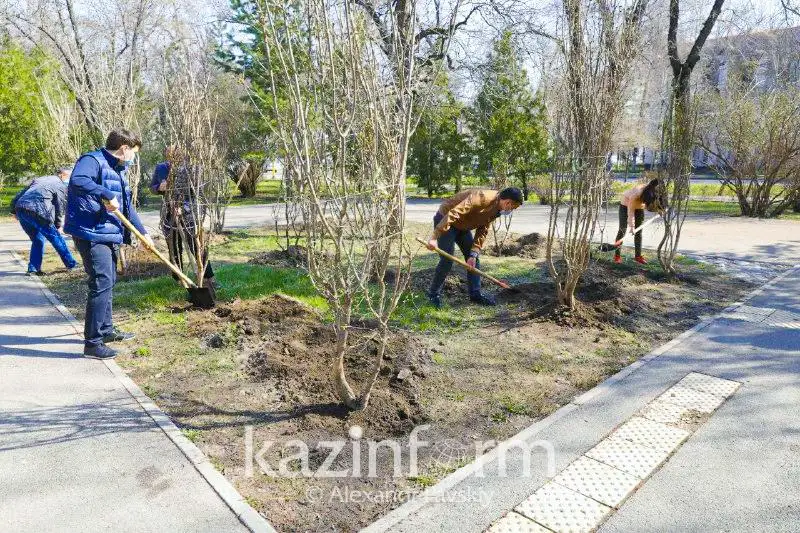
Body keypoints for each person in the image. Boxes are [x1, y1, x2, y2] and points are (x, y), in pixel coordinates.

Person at [65, 128, 154, 360]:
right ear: (124, 148)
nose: (134, 157)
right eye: (133, 152)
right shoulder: (91, 160)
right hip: (90, 232)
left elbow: (126, 208)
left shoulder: (118, 169)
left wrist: (143, 234)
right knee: (101, 282)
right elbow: (78, 180)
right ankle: (92, 344)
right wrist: (104, 192)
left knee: (109, 280)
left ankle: (105, 330)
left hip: (106, 233)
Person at [425, 187, 524, 308]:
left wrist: (473, 253)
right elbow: (454, 213)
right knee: (447, 260)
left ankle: (475, 294)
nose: (512, 210)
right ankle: (433, 294)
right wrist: (435, 236)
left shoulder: (497, 208)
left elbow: (483, 230)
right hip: (446, 219)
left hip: (463, 226)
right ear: (508, 202)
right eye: (513, 207)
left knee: (473, 258)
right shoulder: (481, 197)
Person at [149, 148, 216, 288]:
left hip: (189, 213)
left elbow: (195, 190)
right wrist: (159, 188)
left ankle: (209, 278)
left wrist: (183, 207)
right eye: (169, 157)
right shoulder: (161, 168)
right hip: (169, 213)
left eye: (175, 156)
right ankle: (180, 280)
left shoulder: (191, 169)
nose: (172, 159)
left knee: (197, 246)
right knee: (174, 247)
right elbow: (152, 187)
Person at [10, 167, 78, 275]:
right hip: (39, 211)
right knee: (56, 238)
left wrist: (14, 211)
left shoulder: (40, 179)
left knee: (37, 240)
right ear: (63, 175)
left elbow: (19, 194)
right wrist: (58, 225)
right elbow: (60, 206)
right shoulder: (60, 185)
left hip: (21, 209)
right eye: (70, 178)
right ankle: (72, 264)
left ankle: (33, 269)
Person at [614, 178, 665, 265]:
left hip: (639, 208)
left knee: (639, 232)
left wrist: (660, 210)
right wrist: (632, 227)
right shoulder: (636, 194)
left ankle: (638, 256)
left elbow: (655, 202)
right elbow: (630, 212)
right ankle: (617, 256)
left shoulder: (653, 191)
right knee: (622, 230)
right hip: (626, 205)